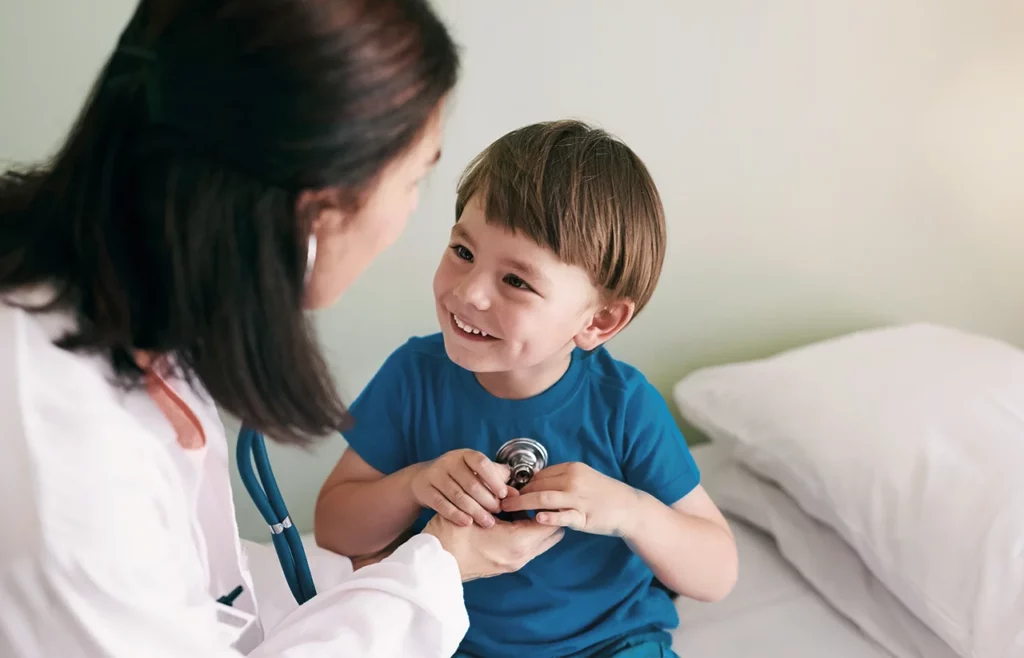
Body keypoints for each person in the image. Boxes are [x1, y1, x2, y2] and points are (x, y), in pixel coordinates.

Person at [0, 1, 566, 656]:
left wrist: (406, 572)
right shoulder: (61, 468)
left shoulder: (129, 314)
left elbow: (203, 592)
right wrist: (435, 564)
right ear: (316, 212)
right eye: (416, 179)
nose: (413, 214)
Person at [315, 120, 740, 658]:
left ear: (600, 321)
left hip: (610, 644)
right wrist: (416, 484)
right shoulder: (414, 375)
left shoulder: (623, 407)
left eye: (516, 281)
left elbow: (717, 572)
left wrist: (630, 511)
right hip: (453, 639)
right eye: (463, 252)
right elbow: (333, 528)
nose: (469, 293)